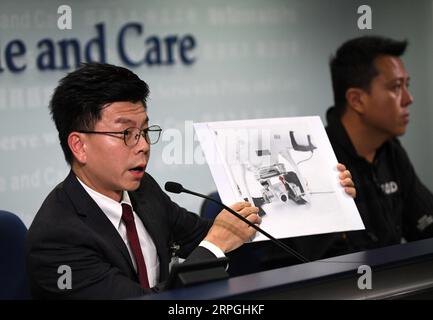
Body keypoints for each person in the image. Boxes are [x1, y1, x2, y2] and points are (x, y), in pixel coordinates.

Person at [26, 63, 355, 299]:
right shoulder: (57, 238)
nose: (142, 145)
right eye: (126, 133)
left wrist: (324, 201)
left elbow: (213, 239)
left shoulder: (144, 191)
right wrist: (215, 244)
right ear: (79, 145)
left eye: (144, 131)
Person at [317, 35, 433, 257]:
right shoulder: (320, 161)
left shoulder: (391, 150)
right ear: (357, 100)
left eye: (406, 86)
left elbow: (426, 226)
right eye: (396, 87)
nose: (408, 99)